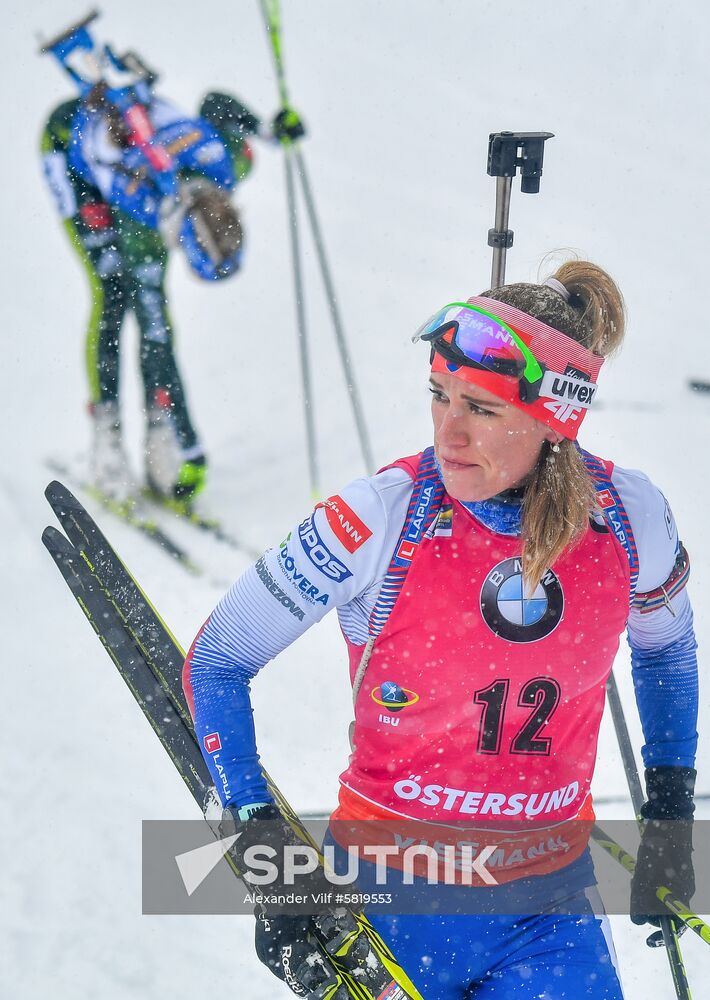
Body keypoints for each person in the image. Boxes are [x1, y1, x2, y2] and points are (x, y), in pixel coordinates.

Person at [183, 261, 698, 998]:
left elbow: (667, 652)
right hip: (388, 908)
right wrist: (261, 851)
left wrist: (672, 813)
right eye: (438, 395)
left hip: (547, 913)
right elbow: (217, 661)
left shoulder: (628, 518)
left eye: (482, 409)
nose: (448, 431)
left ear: (559, 417)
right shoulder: (381, 517)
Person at [41, 63, 303, 505]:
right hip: (68, 147)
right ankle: (109, 435)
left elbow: (214, 104)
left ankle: (157, 431)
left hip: (137, 162)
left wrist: (264, 130)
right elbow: (156, 330)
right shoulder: (142, 210)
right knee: (115, 295)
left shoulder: (224, 161)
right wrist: (191, 448)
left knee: (149, 315)